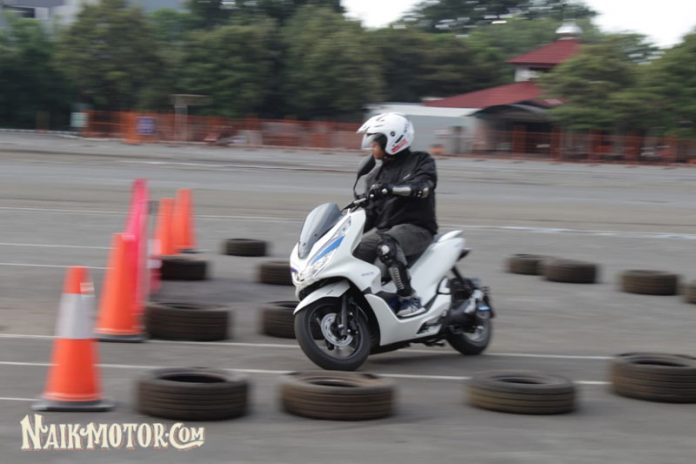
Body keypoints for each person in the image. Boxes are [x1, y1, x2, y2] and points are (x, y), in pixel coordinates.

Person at [355, 113, 438, 318]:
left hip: (416, 228)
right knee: (351, 252)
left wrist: (391, 189)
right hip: (386, 231)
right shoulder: (375, 176)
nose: (371, 146)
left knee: (387, 246)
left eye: (376, 142)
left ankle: (409, 299)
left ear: (392, 140)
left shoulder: (421, 160)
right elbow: (371, 215)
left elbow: (423, 187)